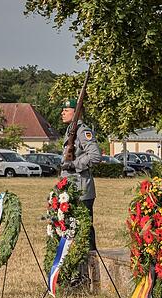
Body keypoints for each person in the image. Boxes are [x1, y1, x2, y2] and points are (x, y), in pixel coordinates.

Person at [60, 98, 102, 286]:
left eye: (66, 110)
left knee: (84, 233)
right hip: (70, 190)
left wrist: (73, 164)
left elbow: (95, 156)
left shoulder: (83, 132)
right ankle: (77, 273)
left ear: (76, 113)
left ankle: (91, 275)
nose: (62, 112)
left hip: (82, 191)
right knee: (72, 232)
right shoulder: (70, 132)